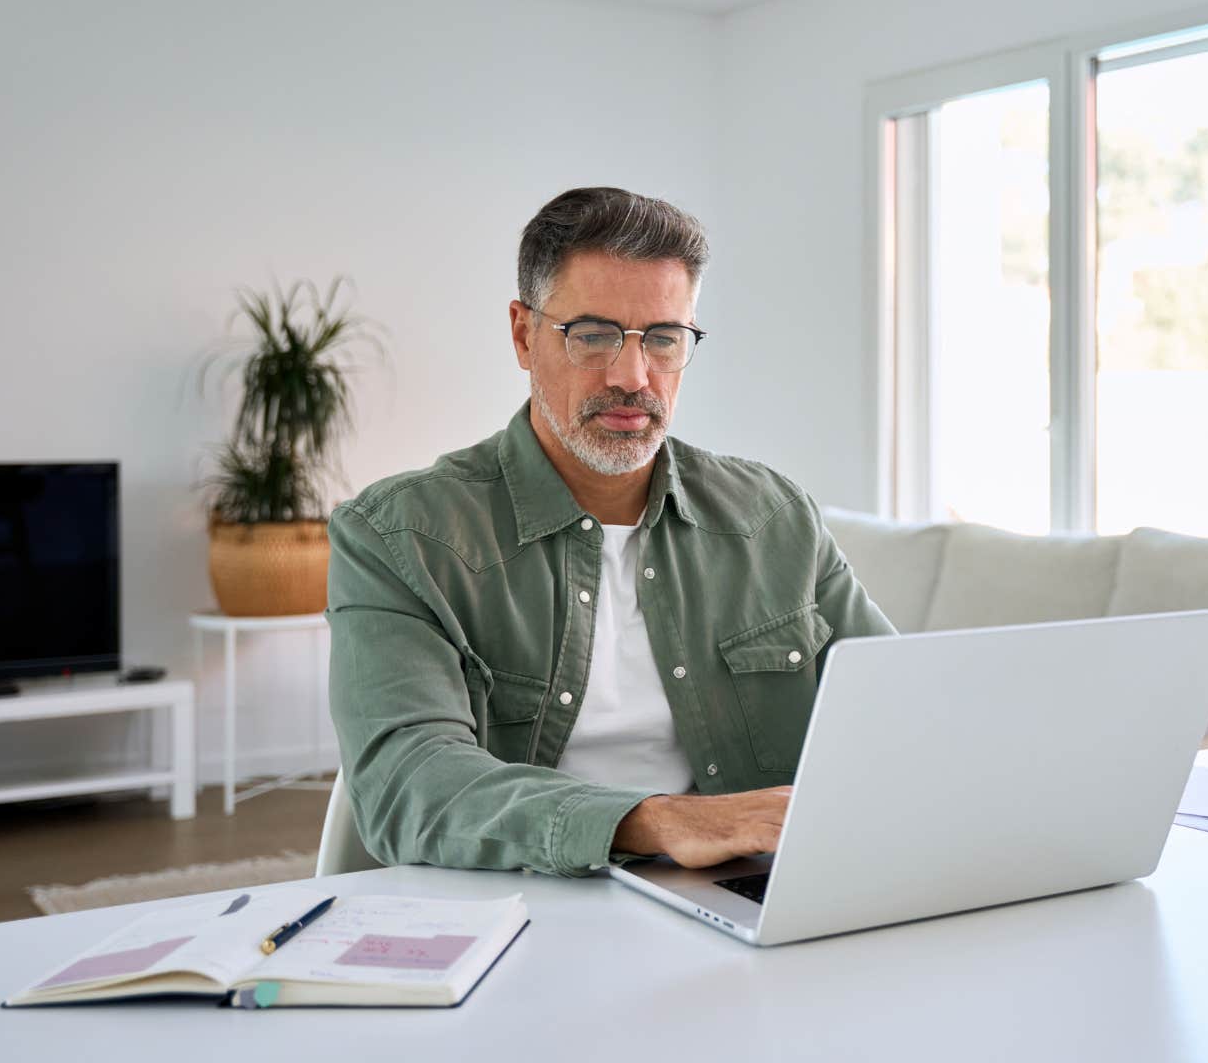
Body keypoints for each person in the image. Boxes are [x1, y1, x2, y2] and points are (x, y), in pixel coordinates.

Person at [326, 187, 895, 876]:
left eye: (664, 339)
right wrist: (658, 822)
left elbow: (903, 709)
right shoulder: (399, 537)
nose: (632, 376)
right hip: (520, 903)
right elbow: (408, 784)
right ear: (523, 335)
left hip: (747, 899)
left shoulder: (775, 518)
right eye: (593, 335)